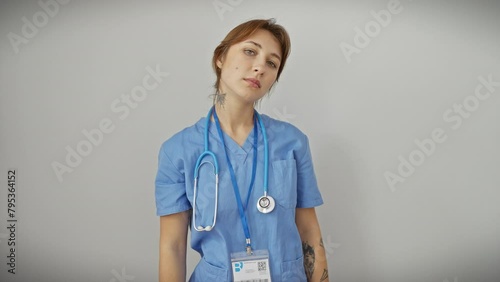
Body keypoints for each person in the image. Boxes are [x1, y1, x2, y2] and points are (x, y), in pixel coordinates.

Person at [155, 18, 329, 282]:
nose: (260, 67)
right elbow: (172, 246)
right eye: (250, 51)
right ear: (220, 58)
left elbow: (309, 232)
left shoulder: (292, 142)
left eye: (272, 63)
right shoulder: (177, 150)